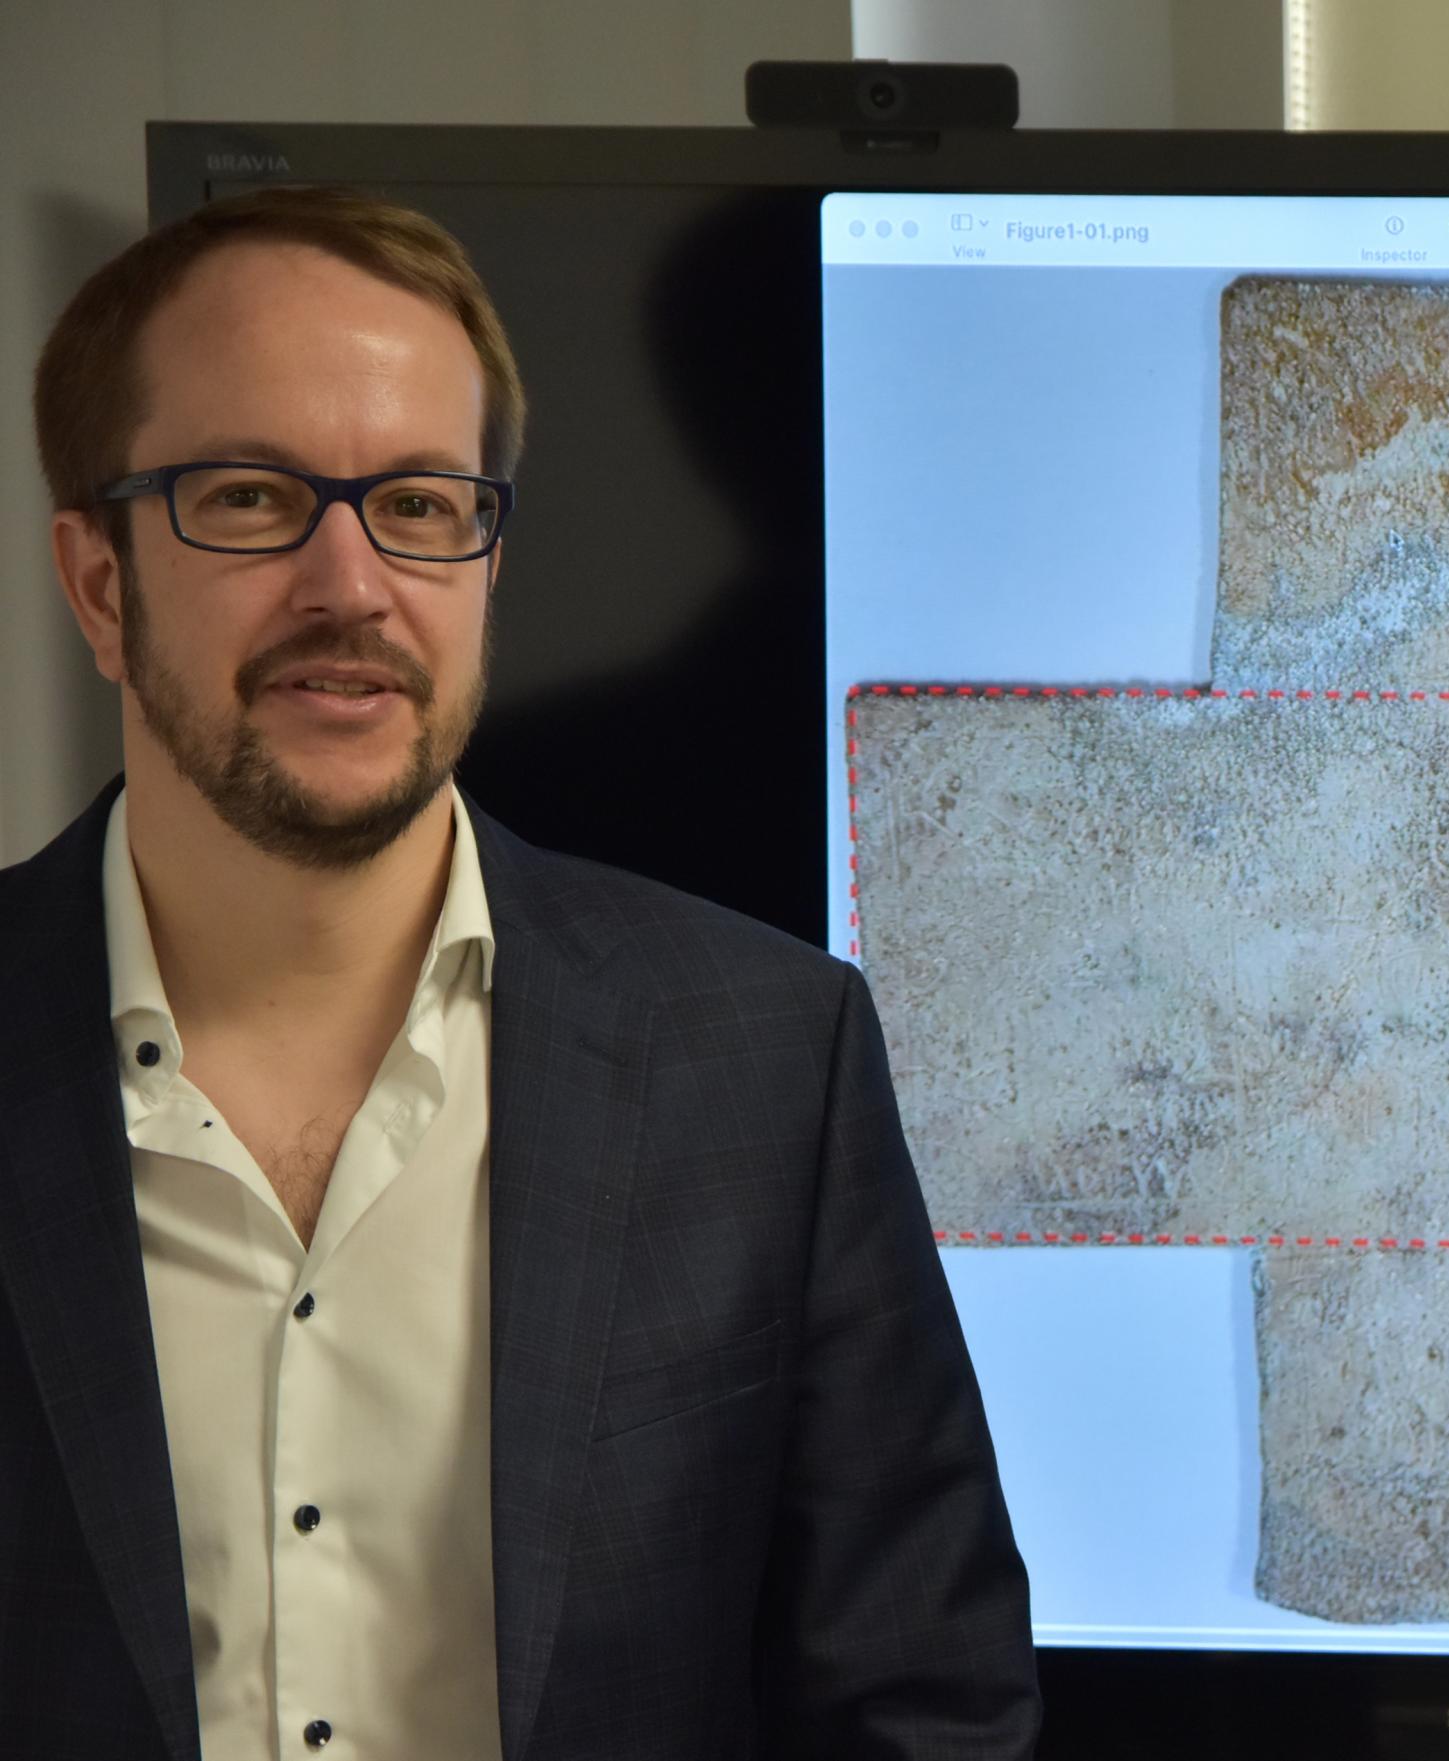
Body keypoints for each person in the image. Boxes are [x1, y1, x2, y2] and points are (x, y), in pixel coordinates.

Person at [0, 186, 1040, 1759]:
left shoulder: (769, 1064)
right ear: (97, 581)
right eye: (250, 497)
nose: (350, 584)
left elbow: (923, 1709)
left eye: (420, 504)